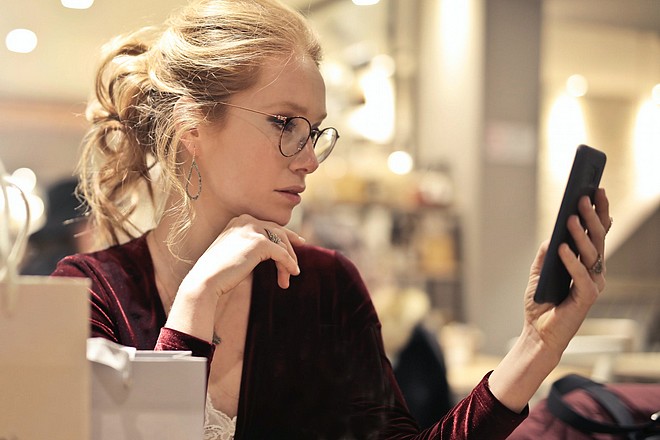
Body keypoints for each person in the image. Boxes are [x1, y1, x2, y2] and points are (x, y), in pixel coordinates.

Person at [51, 0, 613, 438]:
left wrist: (537, 346)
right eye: (284, 123)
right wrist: (195, 303)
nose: (310, 158)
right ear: (193, 124)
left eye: (314, 130)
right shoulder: (90, 294)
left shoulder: (323, 286)